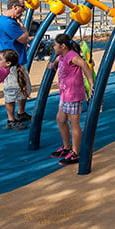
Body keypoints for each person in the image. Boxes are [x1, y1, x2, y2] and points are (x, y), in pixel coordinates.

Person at [48, 34, 95, 166]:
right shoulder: (61, 56)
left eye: (55, 45)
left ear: (63, 46)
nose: (53, 47)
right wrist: (52, 65)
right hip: (64, 95)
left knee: (73, 122)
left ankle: (75, 153)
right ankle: (66, 147)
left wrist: (91, 84)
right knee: (60, 119)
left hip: (73, 95)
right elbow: (56, 62)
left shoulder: (72, 56)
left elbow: (84, 65)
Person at [0, 0, 33, 129]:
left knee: (24, 87)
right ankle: (11, 120)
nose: (23, 11)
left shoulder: (6, 20)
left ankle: (21, 113)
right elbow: (23, 39)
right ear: (15, 7)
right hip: (9, 63)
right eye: (23, 8)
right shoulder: (9, 23)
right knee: (11, 90)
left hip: (16, 60)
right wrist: (23, 27)